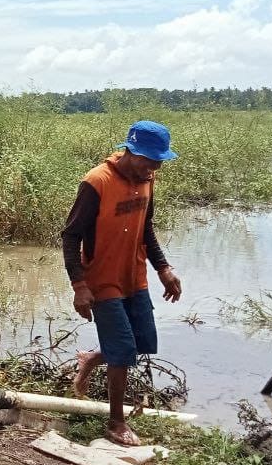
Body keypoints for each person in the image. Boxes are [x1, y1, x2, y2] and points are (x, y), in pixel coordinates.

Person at [61, 120, 183, 447]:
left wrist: (164, 268)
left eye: (159, 162)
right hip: (102, 279)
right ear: (131, 151)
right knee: (124, 352)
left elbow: (147, 228)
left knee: (142, 341)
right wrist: (79, 286)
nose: (153, 168)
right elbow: (70, 236)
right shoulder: (95, 183)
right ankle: (116, 423)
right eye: (149, 160)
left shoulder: (147, 179)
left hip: (135, 274)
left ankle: (90, 358)